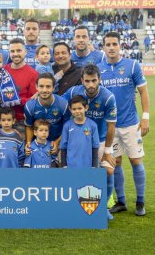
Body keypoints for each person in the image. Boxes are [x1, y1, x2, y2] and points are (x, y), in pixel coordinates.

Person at [98, 31, 150, 216]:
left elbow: (143, 91)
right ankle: (121, 201)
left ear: (120, 46)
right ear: (103, 47)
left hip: (130, 123)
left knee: (136, 160)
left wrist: (145, 116)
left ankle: (140, 201)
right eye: (108, 44)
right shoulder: (99, 69)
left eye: (115, 44)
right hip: (110, 126)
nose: (111, 47)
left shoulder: (132, 65)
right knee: (116, 162)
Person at [63, 64, 117, 219]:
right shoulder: (74, 91)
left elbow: (111, 125)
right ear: (82, 80)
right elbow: (60, 103)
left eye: (94, 80)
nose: (91, 85)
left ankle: (104, 205)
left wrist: (107, 150)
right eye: (87, 81)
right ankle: (75, 204)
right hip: (78, 140)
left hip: (100, 140)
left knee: (108, 170)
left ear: (99, 79)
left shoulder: (108, 97)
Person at [24, 73, 70, 164]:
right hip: (38, 142)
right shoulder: (30, 106)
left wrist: (57, 142)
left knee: (60, 167)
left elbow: (68, 127)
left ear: (53, 88)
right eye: (41, 86)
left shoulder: (63, 104)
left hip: (59, 140)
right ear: (36, 87)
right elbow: (29, 126)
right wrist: (29, 143)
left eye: (48, 87)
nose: (44, 90)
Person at [4, 38, 39, 138]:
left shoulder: (33, 74)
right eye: (12, 51)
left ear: (25, 51)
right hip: (3, 120)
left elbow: (33, 101)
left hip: (21, 122)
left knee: (20, 153)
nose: (15, 54)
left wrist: (17, 100)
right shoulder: (3, 70)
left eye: (18, 50)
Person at [60, 95, 100, 169]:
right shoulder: (67, 126)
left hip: (87, 166)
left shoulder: (93, 125)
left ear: (86, 108)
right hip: (71, 167)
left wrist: (94, 166)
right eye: (74, 109)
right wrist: (64, 165)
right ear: (70, 109)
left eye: (80, 108)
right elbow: (63, 147)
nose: (77, 111)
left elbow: (95, 147)